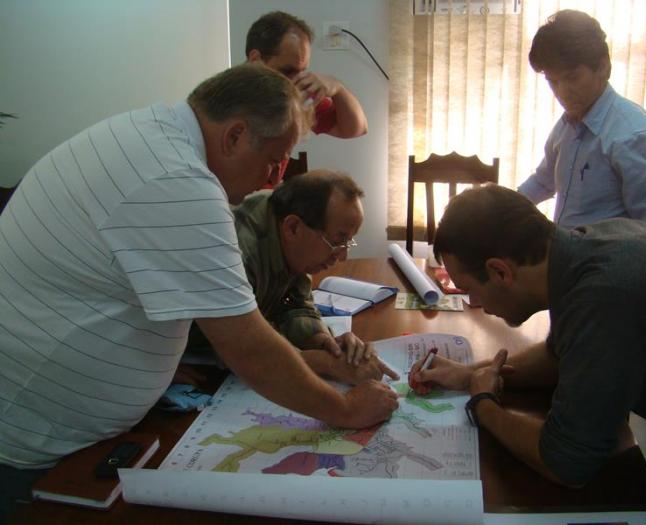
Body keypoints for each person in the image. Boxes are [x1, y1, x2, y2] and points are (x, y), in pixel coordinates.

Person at [0, 63, 397, 517]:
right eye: (272, 161)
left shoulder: (153, 131)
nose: (272, 181)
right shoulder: (180, 181)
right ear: (234, 136)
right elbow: (247, 347)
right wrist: (345, 409)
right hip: (38, 447)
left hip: (75, 432)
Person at [410, 184, 646, 523]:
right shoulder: (581, 250)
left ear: (500, 271)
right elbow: (560, 356)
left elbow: (567, 462)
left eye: (471, 290)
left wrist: (483, 405)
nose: (475, 303)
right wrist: (471, 372)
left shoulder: (603, 295)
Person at [232, 169, 398, 385]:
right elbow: (244, 346)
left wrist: (324, 343)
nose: (342, 256)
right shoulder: (239, 251)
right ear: (293, 228)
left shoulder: (294, 240)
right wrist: (326, 364)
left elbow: (296, 304)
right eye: (338, 241)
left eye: (349, 241)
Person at [517, 10, 646, 229]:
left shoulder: (634, 136)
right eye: (552, 81)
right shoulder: (566, 126)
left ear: (603, 67)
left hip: (613, 260)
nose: (562, 92)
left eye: (572, 77)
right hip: (570, 252)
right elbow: (542, 181)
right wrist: (498, 208)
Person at [245, 10, 368, 185]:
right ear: (255, 59)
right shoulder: (226, 100)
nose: (295, 82)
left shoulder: (296, 94)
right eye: (287, 71)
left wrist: (337, 88)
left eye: (302, 72)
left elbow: (356, 128)